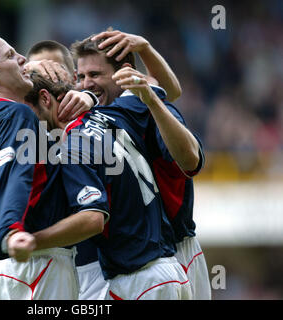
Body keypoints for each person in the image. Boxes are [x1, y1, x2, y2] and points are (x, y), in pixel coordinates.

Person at [0, 32, 106, 300]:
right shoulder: (16, 113)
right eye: (11, 55)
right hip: (37, 262)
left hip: (22, 265)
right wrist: (10, 231)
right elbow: (13, 176)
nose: (23, 58)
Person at [24, 70, 193, 300]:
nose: (21, 123)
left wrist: (32, 242)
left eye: (25, 112)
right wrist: (90, 97)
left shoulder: (73, 148)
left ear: (45, 99)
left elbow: (93, 219)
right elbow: (160, 86)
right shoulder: (112, 113)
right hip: (172, 273)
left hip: (139, 280)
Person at [72, 29, 211, 299]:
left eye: (95, 75)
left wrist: (145, 50)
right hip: (133, 264)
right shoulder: (99, 120)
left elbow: (191, 161)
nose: (86, 84)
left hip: (171, 254)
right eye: (81, 77)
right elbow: (171, 88)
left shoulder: (149, 108)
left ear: (123, 73)